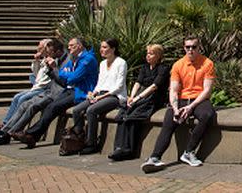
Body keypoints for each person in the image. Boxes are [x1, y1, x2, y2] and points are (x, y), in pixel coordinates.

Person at [141, 35, 215, 173]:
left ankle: (189, 152)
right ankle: (154, 158)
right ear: (184, 48)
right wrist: (175, 109)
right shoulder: (178, 65)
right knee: (169, 121)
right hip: (181, 99)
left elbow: (207, 90)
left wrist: (190, 107)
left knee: (207, 115)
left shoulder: (207, 63)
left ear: (199, 48)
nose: (191, 50)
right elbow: (174, 90)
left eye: (194, 47)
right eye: (188, 47)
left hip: (199, 99)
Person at [16, 37, 98, 149]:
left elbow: (72, 77)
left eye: (71, 45)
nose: (68, 48)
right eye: (68, 45)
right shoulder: (74, 58)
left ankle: (31, 134)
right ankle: (32, 136)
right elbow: (63, 74)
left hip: (81, 92)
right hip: (70, 89)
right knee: (50, 106)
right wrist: (62, 73)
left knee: (54, 107)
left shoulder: (87, 59)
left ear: (79, 46)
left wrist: (63, 73)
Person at [0, 39, 59, 146]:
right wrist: (37, 62)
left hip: (44, 89)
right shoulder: (45, 60)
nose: (39, 49)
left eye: (42, 48)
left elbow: (55, 79)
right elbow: (37, 75)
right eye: (41, 48)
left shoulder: (55, 61)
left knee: (24, 100)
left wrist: (52, 67)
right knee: (18, 98)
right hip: (38, 87)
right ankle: (5, 127)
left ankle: (8, 132)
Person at [109, 44, 170, 161]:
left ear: (158, 56)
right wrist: (132, 96)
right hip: (140, 96)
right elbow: (138, 82)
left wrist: (138, 98)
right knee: (122, 114)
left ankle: (128, 149)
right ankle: (118, 147)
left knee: (133, 117)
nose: (148, 56)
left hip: (153, 98)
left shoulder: (163, 69)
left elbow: (154, 87)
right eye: (147, 53)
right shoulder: (145, 67)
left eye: (151, 54)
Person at [69, 38, 127, 154]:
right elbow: (100, 83)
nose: (102, 50)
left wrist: (101, 97)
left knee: (91, 110)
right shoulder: (102, 63)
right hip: (100, 94)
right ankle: (78, 139)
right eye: (101, 47)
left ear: (113, 49)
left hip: (114, 96)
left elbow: (119, 86)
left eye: (105, 47)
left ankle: (92, 144)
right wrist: (93, 93)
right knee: (76, 110)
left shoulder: (121, 62)